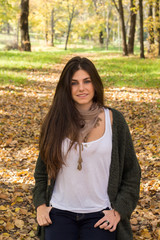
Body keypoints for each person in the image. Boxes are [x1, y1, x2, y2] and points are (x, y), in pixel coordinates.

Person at [33, 56, 141, 240]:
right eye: (74, 83)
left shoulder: (114, 121)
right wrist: (40, 205)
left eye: (86, 81)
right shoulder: (55, 122)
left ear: (95, 84)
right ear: (66, 88)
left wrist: (119, 211)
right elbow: (41, 172)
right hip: (59, 212)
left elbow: (132, 173)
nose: (81, 88)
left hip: (100, 213)